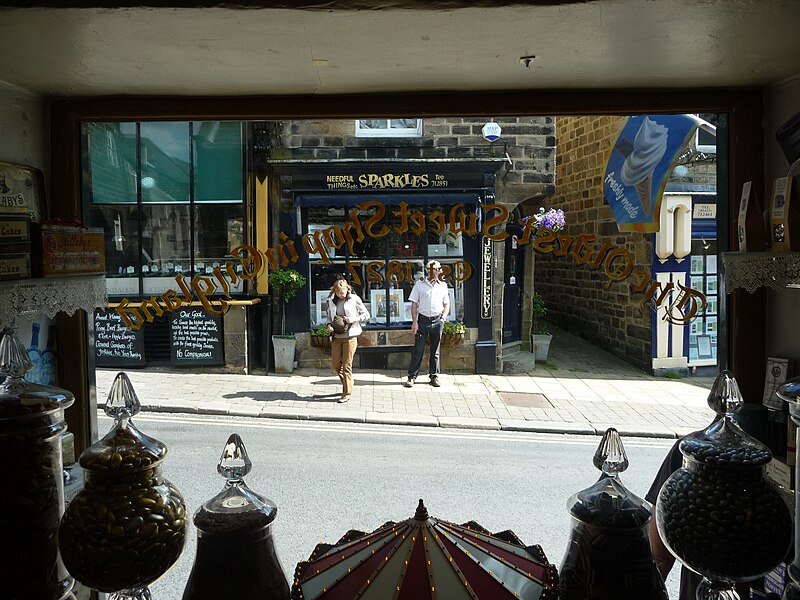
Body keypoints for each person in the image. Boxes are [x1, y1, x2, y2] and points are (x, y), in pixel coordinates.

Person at [403, 259, 450, 388]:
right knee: (418, 350)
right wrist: (414, 322)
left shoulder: (443, 285)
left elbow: (447, 303)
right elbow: (414, 304)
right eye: (436, 269)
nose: (439, 271)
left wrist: (443, 318)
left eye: (439, 269)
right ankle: (412, 377)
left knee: (435, 351)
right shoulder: (420, 284)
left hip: (437, 320)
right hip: (423, 320)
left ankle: (434, 376)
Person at [325, 277, 370, 403]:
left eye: (342, 292)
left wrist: (353, 319)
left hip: (350, 336)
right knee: (335, 364)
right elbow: (329, 317)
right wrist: (329, 325)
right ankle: (348, 382)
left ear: (347, 289)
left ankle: (347, 392)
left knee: (346, 366)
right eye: (338, 293)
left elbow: (366, 314)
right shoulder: (331, 301)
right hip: (336, 337)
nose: (340, 295)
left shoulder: (354, 299)